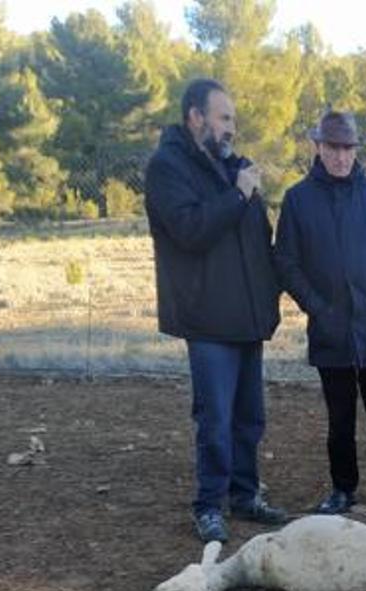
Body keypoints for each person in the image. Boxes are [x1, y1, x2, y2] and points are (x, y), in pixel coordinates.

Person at [144, 78, 289, 542]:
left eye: (234, 121)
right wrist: (238, 194)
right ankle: (209, 505)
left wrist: (271, 300)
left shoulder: (234, 169)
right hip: (206, 317)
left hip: (246, 316)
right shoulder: (167, 167)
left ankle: (245, 497)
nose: (231, 129)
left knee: (250, 417)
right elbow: (189, 230)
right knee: (216, 419)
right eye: (224, 118)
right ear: (195, 117)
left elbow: (259, 241)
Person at [273, 110, 366, 515]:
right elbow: (285, 261)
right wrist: (316, 306)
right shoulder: (298, 200)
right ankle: (343, 489)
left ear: (355, 150)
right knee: (340, 421)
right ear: (318, 147)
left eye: (347, 148)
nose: (340, 156)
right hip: (330, 331)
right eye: (333, 147)